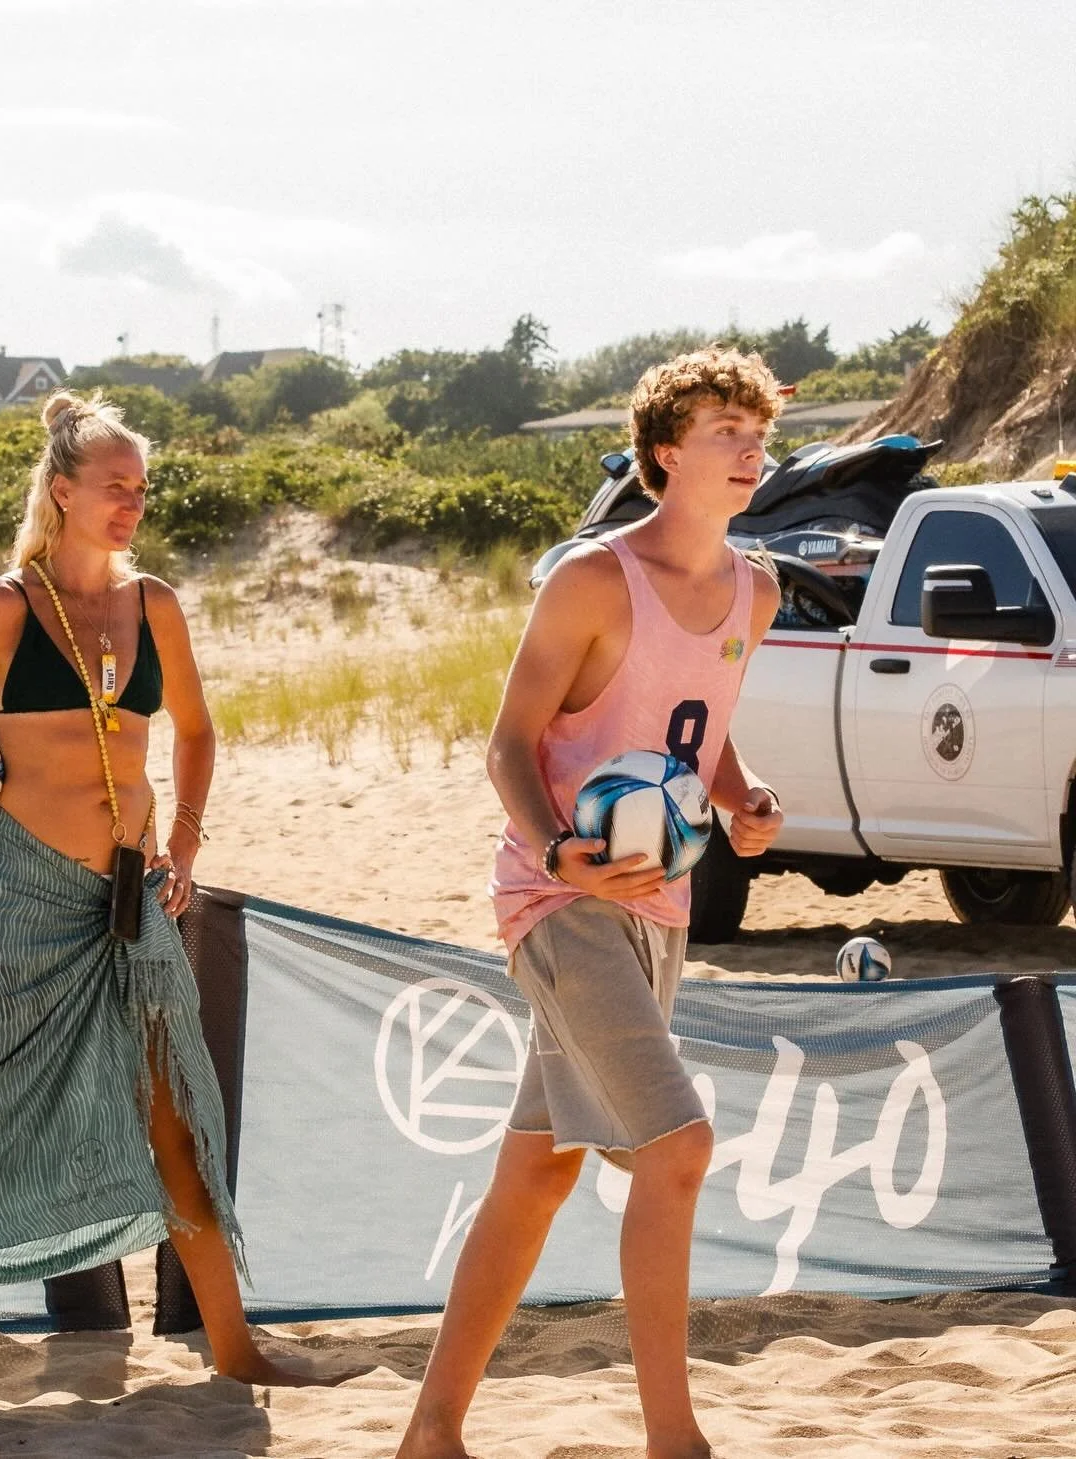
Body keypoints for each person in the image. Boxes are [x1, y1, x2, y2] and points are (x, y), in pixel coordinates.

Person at [0, 391, 320, 1416]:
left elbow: (195, 730)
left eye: (141, 489)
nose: (132, 504)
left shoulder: (155, 604)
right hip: (17, 897)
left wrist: (184, 838)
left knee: (178, 1118)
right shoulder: (1, 606)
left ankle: (235, 1350)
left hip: (131, 902)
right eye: (114, 486)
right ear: (62, 491)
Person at [396, 349, 788, 1459]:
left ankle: (431, 1430)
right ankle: (676, 1439)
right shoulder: (592, 578)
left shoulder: (755, 589)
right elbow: (508, 744)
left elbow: (697, 734)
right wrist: (559, 855)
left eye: (757, 433)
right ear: (665, 453)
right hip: (557, 900)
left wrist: (742, 797)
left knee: (538, 1170)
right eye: (724, 431)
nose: (750, 450)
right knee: (678, 1148)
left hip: (659, 906)